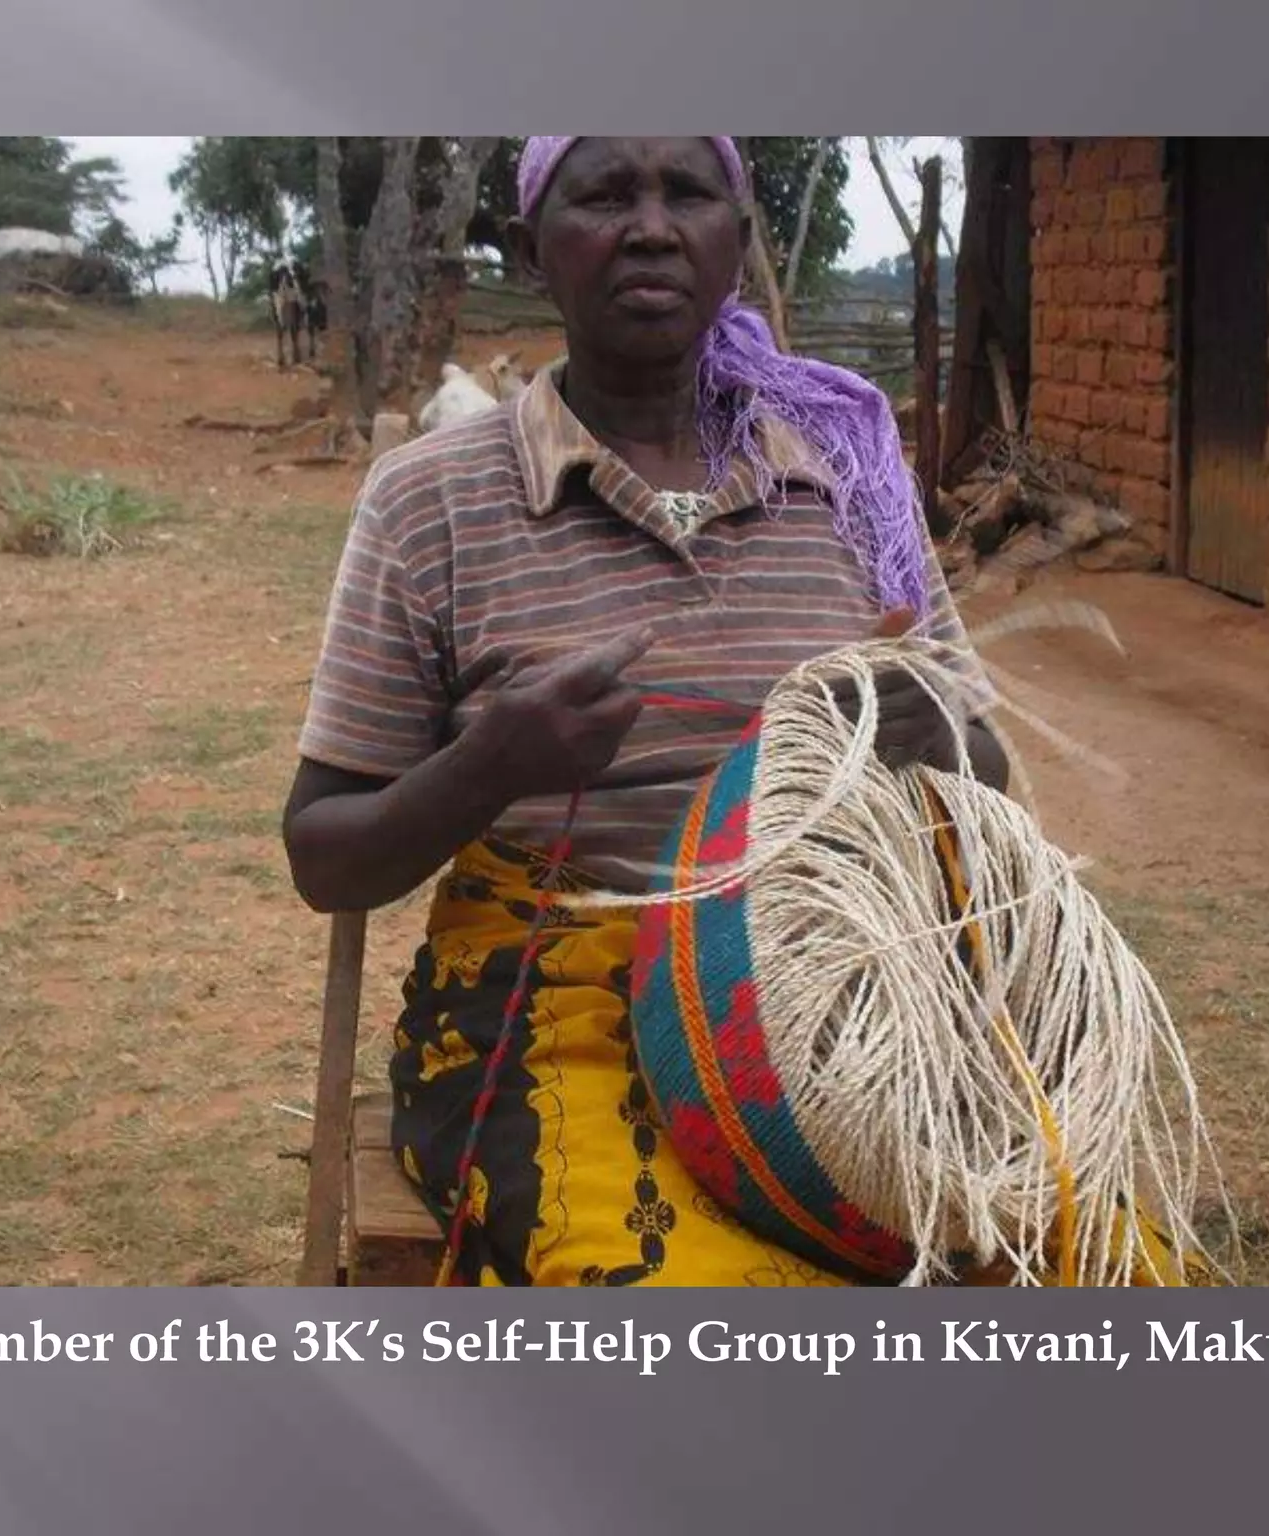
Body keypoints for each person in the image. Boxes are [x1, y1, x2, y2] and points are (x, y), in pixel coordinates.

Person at [285, 137, 1094, 1287]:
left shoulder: (847, 477)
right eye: (605, 195)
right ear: (531, 248)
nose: (651, 226)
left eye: (687, 193)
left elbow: (981, 766)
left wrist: (935, 738)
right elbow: (325, 857)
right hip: (557, 1009)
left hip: (842, 990)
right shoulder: (433, 502)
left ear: (736, 236)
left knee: (1062, 1262)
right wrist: (490, 764)